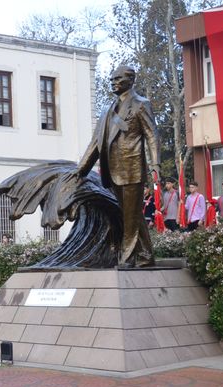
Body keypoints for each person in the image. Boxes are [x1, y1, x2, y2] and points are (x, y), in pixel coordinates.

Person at [76, 65, 159, 266]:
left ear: (130, 80)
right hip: (113, 170)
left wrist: (155, 163)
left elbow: (152, 135)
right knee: (130, 214)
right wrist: (81, 170)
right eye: (112, 79)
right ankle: (146, 255)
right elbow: (96, 142)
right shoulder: (107, 110)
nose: (113, 82)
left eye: (118, 78)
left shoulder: (141, 104)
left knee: (130, 216)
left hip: (132, 168)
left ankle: (127, 256)